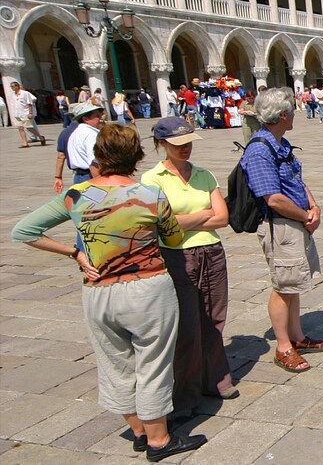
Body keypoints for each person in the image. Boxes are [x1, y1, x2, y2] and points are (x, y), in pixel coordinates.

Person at [11, 124, 208, 460]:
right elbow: (173, 239)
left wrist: (74, 252)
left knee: (115, 363)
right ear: (137, 156)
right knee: (153, 363)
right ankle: (159, 440)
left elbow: (24, 230)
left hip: (99, 290)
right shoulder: (149, 194)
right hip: (147, 290)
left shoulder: (77, 195)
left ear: (98, 155)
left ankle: (138, 430)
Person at [142, 118, 238, 408]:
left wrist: (182, 221)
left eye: (189, 143)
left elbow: (222, 217)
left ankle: (217, 378)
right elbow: (159, 224)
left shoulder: (204, 174)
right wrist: (201, 216)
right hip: (176, 255)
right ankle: (186, 392)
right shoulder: (152, 179)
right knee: (186, 324)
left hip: (211, 252)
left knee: (214, 317)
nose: (185, 149)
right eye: (177, 144)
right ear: (161, 144)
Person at [240, 87, 323, 373]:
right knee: (282, 285)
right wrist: (305, 215)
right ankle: (283, 347)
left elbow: (296, 180)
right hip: (279, 226)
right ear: (282, 115)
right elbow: (273, 197)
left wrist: (314, 207)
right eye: (292, 109)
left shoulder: (280, 143)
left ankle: (298, 336)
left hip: (295, 222)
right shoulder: (259, 149)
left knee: (293, 282)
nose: (294, 113)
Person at [52, 104, 94, 193]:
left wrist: (58, 177)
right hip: (92, 174)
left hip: (78, 174)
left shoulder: (65, 132)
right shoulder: (89, 132)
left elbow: (61, 156)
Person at [9, 81, 46, 147]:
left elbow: (29, 103)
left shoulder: (25, 93)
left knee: (29, 127)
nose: (11, 88)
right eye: (11, 86)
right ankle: (25, 143)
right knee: (20, 128)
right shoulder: (13, 95)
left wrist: (30, 113)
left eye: (12, 86)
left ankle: (40, 137)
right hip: (17, 114)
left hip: (25, 113)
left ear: (17, 86)